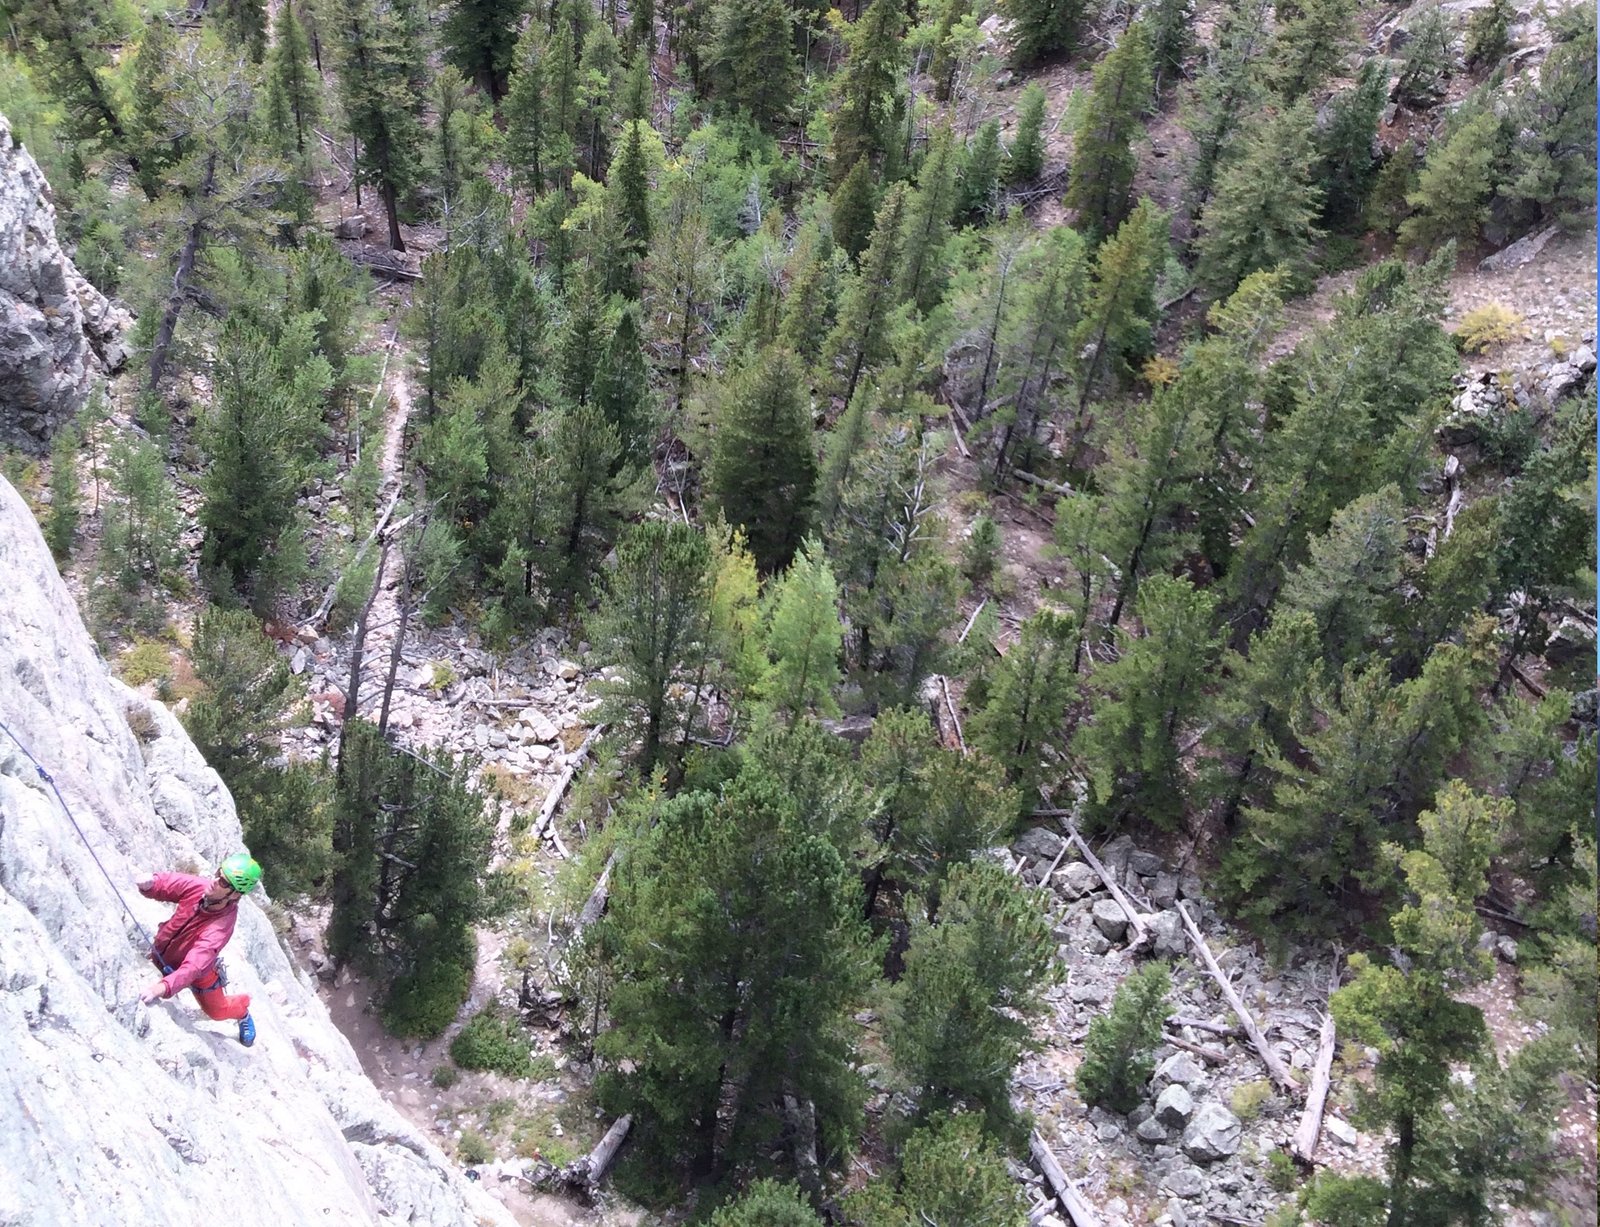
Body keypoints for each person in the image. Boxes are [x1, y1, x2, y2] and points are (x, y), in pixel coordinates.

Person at [137, 853, 262, 1047]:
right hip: (165, 953)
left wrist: (161, 987)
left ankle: (242, 1011)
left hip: (200, 972)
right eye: (218, 874)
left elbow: (195, 965)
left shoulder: (220, 925)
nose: (214, 881)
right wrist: (151, 884)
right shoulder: (201, 888)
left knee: (217, 1011)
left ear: (235, 894)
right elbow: (172, 883)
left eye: (223, 882)